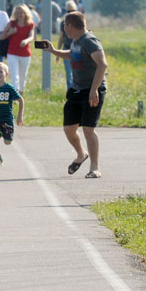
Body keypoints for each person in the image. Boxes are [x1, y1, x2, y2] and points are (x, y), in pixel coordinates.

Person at [44, 11, 108, 179]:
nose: (63, 28)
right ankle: (81, 154)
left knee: (88, 129)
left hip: (92, 89)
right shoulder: (75, 41)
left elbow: (102, 65)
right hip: (77, 89)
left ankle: (94, 167)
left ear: (70, 26)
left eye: (65, 25)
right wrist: (53, 51)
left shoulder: (90, 41)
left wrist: (94, 90)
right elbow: (71, 55)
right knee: (69, 129)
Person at [0, 62, 24, 168]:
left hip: (7, 119)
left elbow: (21, 100)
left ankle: (5, 136)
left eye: (0, 72)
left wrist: (20, 116)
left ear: (6, 74)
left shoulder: (9, 88)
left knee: (7, 142)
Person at [0, 4, 36, 94]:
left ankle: (21, 93)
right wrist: (10, 33)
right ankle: (15, 93)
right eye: (17, 13)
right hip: (12, 52)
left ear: (25, 13)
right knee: (14, 74)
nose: (19, 14)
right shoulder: (11, 23)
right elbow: (1, 36)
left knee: (23, 75)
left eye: (21, 12)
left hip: (25, 53)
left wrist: (26, 41)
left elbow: (32, 36)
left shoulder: (30, 24)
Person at [57, 0, 78, 89]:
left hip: (68, 49)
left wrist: (58, 52)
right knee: (76, 73)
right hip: (76, 50)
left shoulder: (63, 22)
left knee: (69, 74)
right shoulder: (79, 21)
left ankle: (71, 92)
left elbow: (61, 38)